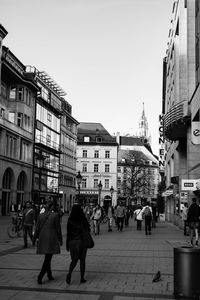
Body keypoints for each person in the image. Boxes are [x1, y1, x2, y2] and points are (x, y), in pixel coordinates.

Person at [32, 200, 63, 284]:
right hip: (51, 238)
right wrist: (60, 239)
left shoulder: (40, 216)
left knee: (47, 256)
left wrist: (34, 239)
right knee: (48, 258)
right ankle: (40, 275)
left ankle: (49, 274)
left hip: (42, 237)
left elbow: (37, 228)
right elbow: (58, 229)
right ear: (52, 207)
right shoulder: (55, 215)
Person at [66, 204, 90, 284]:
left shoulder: (70, 220)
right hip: (82, 241)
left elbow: (68, 233)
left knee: (74, 260)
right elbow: (88, 229)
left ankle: (69, 273)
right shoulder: (83, 219)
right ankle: (82, 278)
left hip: (72, 242)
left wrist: (67, 244)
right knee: (82, 260)